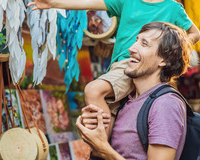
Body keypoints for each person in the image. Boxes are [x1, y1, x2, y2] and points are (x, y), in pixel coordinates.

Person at [23, 0, 200, 135]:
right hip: (119, 67)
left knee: (93, 90)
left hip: (137, 67)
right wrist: (53, 3)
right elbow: (89, 2)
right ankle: (103, 149)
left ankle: (101, 147)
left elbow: (194, 34)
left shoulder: (173, 9)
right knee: (112, 117)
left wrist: (169, 55)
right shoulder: (126, 0)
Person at [76, 21, 192, 160]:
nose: (131, 48)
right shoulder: (126, 100)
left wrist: (103, 149)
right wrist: (92, 132)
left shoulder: (165, 104)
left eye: (144, 44)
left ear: (163, 60)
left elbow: (105, 151)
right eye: (136, 41)